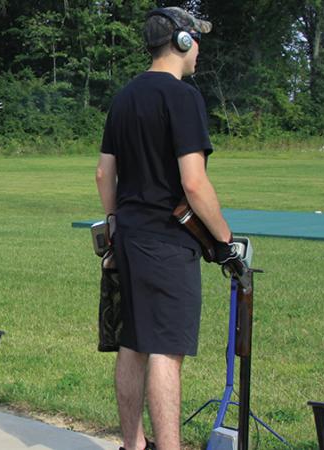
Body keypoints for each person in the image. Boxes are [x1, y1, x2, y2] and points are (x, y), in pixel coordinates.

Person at [95, 8, 237, 450]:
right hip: (168, 241)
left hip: (129, 237)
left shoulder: (124, 97)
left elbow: (104, 175)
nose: (199, 49)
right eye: (197, 39)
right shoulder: (183, 97)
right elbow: (193, 182)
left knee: (133, 343)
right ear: (182, 42)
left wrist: (119, 222)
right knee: (165, 350)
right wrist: (225, 240)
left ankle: (133, 445)